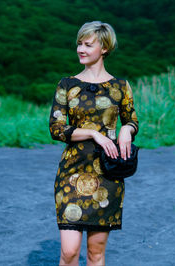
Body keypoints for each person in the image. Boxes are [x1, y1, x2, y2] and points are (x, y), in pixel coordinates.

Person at [48, 21, 139, 266]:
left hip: (107, 174)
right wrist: (93, 134)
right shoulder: (66, 84)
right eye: (79, 43)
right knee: (69, 252)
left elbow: (131, 120)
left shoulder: (121, 86)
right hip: (71, 173)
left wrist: (127, 131)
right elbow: (56, 129)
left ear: (104, 48)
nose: (81, 49)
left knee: (96, 253)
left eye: (88, 44)